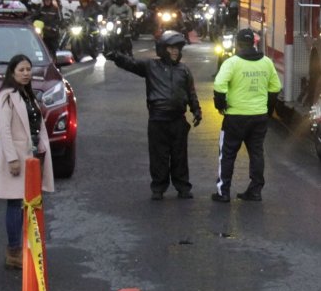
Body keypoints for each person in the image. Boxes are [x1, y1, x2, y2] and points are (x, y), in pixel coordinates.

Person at [112, 30, 202, 200]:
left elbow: (191, 92)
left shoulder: (184, 70)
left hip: (178, 120)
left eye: (177, 48)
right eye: (171, 48)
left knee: (180, 155)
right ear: (163, 49)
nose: (175, 51)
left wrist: (196, 110)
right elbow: (130, 64)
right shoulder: (151, 66)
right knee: (158, 156)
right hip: (158, 120)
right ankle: (158, 188)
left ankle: (182, 186)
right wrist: (116, 56)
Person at [0, 54, 54, 270]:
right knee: (15, 203)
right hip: (17, 156)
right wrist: (11, 159)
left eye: (28, 69)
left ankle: (29, 245)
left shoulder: (29, 94)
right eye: (21, 70)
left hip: (34, 156)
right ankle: (13, 250)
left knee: (31, 202)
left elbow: (38, 124)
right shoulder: (6, 97)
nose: (26, 73)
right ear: (12, 72)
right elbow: (5, 130)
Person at [211, 28, 280, 203]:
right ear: (254, 43)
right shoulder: (266, 62)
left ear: (238, 44)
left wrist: (221, 106)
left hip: (235, 116)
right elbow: (275, 88)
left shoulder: (232, 62)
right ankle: (255, 191)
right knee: (256, 153)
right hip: (259, 116)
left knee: (227, 154)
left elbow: (219, 85)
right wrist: (268, 110)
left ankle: (223, 192)